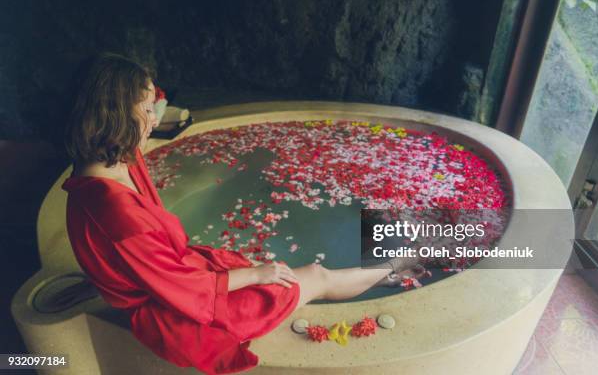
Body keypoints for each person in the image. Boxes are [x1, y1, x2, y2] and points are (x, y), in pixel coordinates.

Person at [61, 53, 423, 375]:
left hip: (177, 278)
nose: (154, 120)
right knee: (316, 276)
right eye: (145, 109)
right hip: (178, 309)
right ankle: (391, 269)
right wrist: (254, 274)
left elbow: (151, 108)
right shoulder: (117, 212)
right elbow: (185, 290)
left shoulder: (111, 162)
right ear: (117, 114)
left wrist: (151, 99)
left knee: (287, 274)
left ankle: (381, 274)